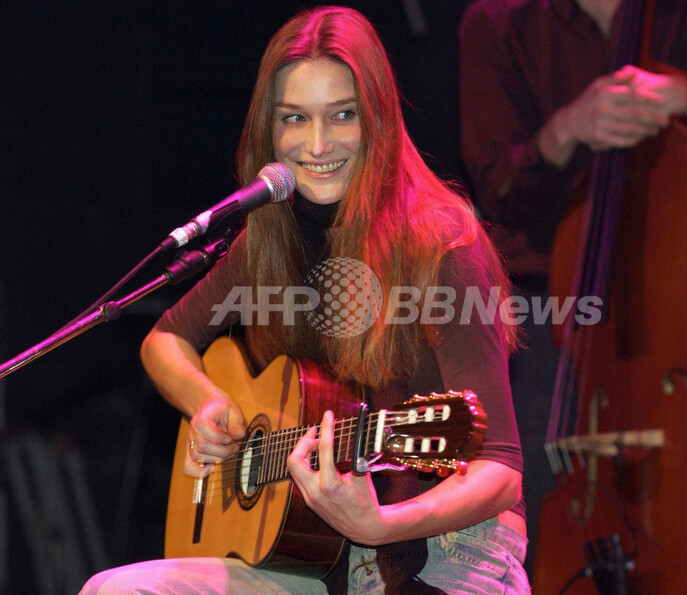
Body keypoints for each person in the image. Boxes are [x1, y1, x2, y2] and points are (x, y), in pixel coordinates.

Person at [81, 6, 531, 594]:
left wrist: (381, 522)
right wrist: (210, 404)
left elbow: (501, 470)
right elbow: (163, 341)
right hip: (317, 556)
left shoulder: (442, 243)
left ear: (378, 120)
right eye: (295, 119)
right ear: (269, 130)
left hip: (450, 550)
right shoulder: (268, 238)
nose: (317, 145)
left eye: (342, 115)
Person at [458, 0, 687, 582]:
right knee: (538, 490)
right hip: (555, 310)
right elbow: (497, 189)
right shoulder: (497, 22)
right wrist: (564, 131)